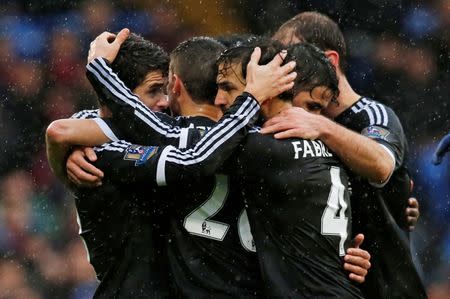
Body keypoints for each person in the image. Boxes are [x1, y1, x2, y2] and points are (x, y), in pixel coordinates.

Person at [85, 38, 365, 298]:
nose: (221, 99)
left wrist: (98, 74)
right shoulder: (330, 148)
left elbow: (194, 155)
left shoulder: (257, 146)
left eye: (230, 88)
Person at [264, 11, 427, 299]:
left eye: (289, 56)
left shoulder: (373, 116)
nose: (280, 67)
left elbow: (381, 164)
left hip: (388, 287)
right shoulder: (288, 119)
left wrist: (321, 126)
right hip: (331, 285)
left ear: (330, 61)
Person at [46, 30, 172, 298]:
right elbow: (58, 131)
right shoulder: (102, 156)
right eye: (153, 91)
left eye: (165, 89)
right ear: (116, 95)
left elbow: (63, 131)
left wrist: (68, 149)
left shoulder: (87, 138)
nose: (165, 101)